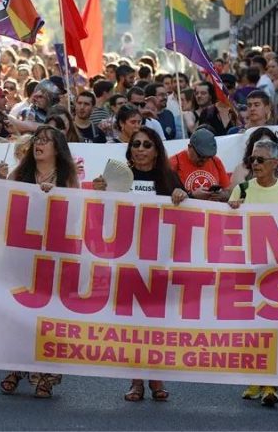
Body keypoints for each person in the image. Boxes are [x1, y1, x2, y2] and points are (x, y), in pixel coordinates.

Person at [93, 127, 186, 401]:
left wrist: (182, 196)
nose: (141, 149)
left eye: (147, 144)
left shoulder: (168, 178)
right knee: (132, 324)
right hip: (127, 261)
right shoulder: (114, 176)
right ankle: (136, 382)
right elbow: (99, 217)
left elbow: (187, 218)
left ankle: (156, 379)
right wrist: (98, 194)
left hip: (159, 261)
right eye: (136, 144)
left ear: (157, 149)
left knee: (156, 323)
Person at [0, 125, 79, 399]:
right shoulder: (20, 173)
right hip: (23, 255)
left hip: (56, 256)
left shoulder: (68, 177)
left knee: (50, 315)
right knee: (20, 312)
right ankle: (16, 367)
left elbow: (78, 212)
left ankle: (47, 373)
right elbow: (3, 205)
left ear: (57, 148)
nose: (38, 145)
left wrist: (57, 197)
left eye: (45, 141)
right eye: (36, 140)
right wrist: (1, 182)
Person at [228, 139, 278, 407]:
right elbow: (226, 224)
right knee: (251, 325)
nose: (255, 165)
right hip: (247, 266)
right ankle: (254, 379)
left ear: (274, 163)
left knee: (273, 327)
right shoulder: (242, 190)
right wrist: (231, 210)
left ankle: (271, 383)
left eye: (260, 160)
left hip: (277, 270)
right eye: (252, 160)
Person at [170, 127, 230, 201]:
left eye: (208, 157)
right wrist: (192, 195)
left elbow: (228, 191)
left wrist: (222, 195)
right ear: (190, 147)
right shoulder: (174, 163)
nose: (204, 160)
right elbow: (166, 196)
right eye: (200, 156)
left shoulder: (215, 161)